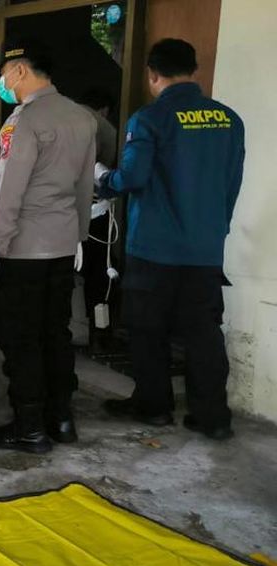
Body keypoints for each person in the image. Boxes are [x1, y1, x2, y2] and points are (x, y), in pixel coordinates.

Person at [97, 38, 245, 441]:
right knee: (203, 331)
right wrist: (217, 229)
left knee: (148, 329)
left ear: (152, 75)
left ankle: (153, 407)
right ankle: (212, 416)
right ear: (194, 71)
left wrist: (103, 180)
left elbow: (133, 177)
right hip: (205, 248)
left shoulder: (149, 119)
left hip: (154, 248)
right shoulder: (229, 120)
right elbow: (232, 185)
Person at [0, 39, 97, 454]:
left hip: (22, 249)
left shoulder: (22, 122)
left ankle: (29, 428)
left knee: (21, 337)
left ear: (20, 71)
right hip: (62, 247)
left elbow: (9, 188)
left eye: (3, 76)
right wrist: (79, 236)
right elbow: (84, 185)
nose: (2, 84)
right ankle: (61, 419)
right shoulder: (82, 117)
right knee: (55, 334)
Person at [76, 87, 120, 353]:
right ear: (105, 109)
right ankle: (99, 336)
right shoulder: (104, 127)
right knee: (100, 276)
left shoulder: (60, 117)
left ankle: (58, 333)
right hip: (95, 214)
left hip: (57, 215)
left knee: (61, 274)